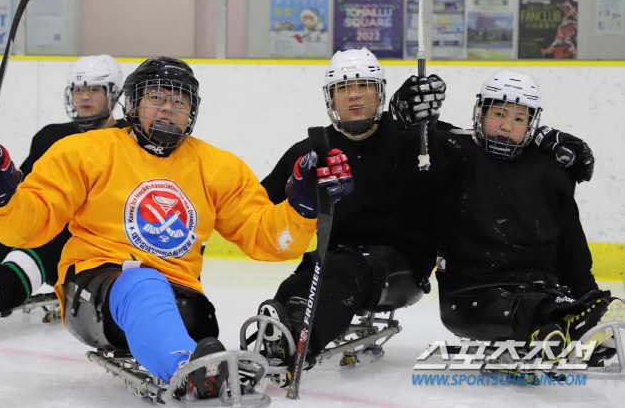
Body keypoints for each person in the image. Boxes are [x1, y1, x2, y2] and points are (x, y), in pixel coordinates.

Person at [0, 57, 353, 401]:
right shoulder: (86, 152)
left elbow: (268, 238)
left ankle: (190, 355)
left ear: (192, 111)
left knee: (187, 311)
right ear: (133, 104)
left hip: (183, 301)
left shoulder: (218, 167)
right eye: (156, 98)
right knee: (142, 283)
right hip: (94, 294)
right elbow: (31, 225)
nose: (167, 109)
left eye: (179, 101)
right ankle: (189, 371)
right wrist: (0, 193)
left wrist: (301, 205)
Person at [253, 49, 598, 384]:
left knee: (347, 271)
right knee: (299, 283)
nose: (355, 97)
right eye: (344, 89)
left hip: (401, 261)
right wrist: (292, 198)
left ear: (381, 93)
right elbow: (253, 205)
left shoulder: (412, 133)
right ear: (330, 97)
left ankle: (300, 338)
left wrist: (545, 139)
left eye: (365, 87)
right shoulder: (314, 149)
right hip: (332, 258)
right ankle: (274, 333)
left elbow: (487, 142)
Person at [391, 68, 624, 362]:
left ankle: (558, 328)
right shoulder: (453, 151)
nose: (506, 126)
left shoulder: (548, 169)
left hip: (541, 288)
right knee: (537, 309)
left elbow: (570, 244)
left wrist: (587, 294)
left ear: (532, 125)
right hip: (472, 295)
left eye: (518, 119)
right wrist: (409, 116)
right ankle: (558, 327)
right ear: (480, 113)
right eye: (498, 114)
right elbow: (415, 155)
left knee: (577, 305)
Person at [0, 54, 127, 328]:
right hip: (54, 225)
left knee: (53, 230)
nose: (84, 98)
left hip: (92, 241)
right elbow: (25, 192)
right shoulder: (50, 136)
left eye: (93, 89)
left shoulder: (128, 138)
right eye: (79, 90)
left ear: (113, 93)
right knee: (23, 221)